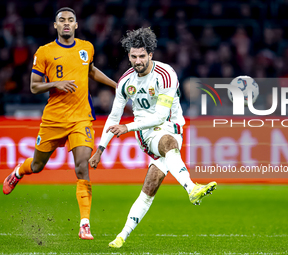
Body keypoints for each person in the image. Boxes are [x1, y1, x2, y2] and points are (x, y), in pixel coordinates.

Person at [89, 28, 217, 248]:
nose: (137, 61)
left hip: (170, 126)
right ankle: (191, 188)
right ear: (128, 56)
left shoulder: (166, 74)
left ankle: (121, 236)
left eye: (141, 56)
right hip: (148, 133)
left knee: (150, 186)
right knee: (167, 143)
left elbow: (160, 116)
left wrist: (127, 127)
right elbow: (113, 117)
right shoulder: (125, 82)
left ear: (150, 54)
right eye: (133, 57)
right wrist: (100, 148)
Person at [2, 7, 117, 240]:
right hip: (54, 118)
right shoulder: (44, 52)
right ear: (55, 25)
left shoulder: (87, 48)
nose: (66, 23)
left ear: (76, 25)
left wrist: (117, 86)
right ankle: (17, 172)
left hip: (81, 117)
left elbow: (91, 71)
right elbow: (34, 86)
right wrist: (56, 84)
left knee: (82, 165)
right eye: (62, 20)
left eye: (70, 20)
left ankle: (84, 223)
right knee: (37, 166)